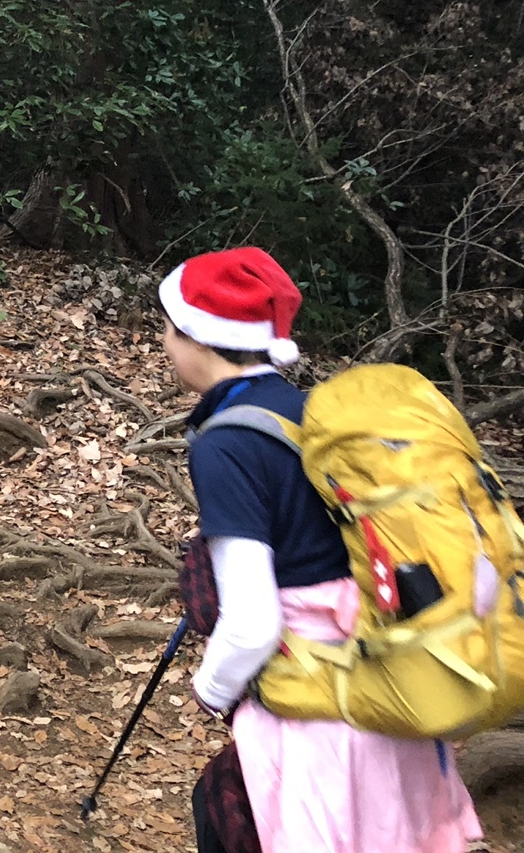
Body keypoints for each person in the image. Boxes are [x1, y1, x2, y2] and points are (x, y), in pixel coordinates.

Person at [162, 247, 482, 853]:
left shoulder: (224, 444)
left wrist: (211, 689)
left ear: (197, 336)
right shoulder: (311, 413)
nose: (162, 342)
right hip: (384, 686)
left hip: (315, 712)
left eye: (168, 327)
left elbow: (253, 621)